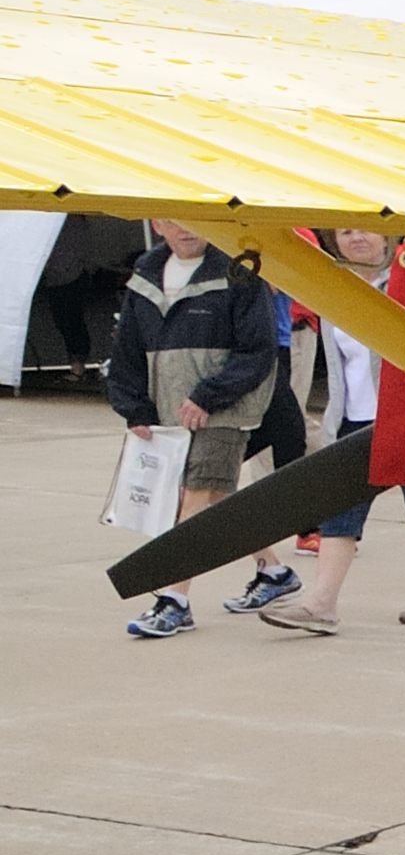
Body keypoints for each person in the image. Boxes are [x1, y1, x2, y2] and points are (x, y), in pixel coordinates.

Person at [260, 231, 405, 637]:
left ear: (386, 236)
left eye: (365, 229)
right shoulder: (335, 291)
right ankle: (321, 603)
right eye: (346, 231)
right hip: (353, 419)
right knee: (340, 513)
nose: (356, 238)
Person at [106, 220, 298, 636]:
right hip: (171, 411)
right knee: (217, 499)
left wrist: (208, 397)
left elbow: (258, 351)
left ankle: (174, 599)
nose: (184, 229)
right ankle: (275, 572)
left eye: (193, 219)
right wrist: (135, 408)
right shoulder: (144, 275)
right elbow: (126, 349)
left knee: (192, 500)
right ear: (157, 224)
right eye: (172, 220)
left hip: (226, 410)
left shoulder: (239, 271)